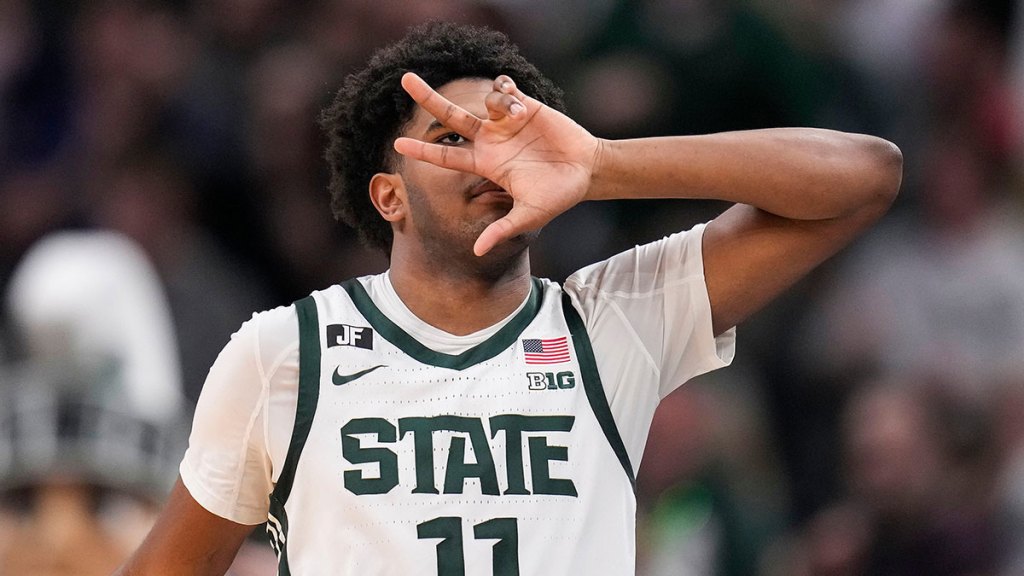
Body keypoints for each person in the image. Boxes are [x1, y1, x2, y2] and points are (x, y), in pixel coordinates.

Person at [116, 21, 902, 575]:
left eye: (512, 134)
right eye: (455, 138)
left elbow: (864, 178)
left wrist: (602, 164)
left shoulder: (610, 322)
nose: (491, 159)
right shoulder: (286, 352)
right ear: (388, 196)